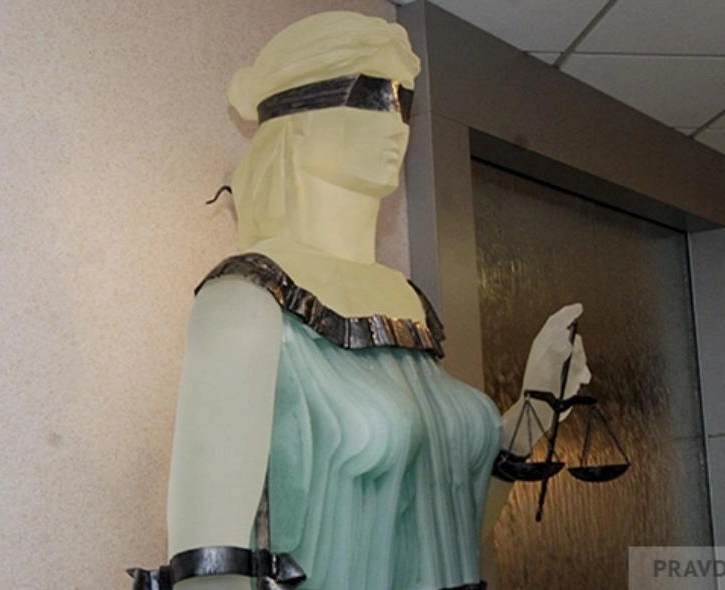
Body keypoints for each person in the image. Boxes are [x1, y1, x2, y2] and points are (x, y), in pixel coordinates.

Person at [130, 11, 589, 590]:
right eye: (371, 95)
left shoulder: (408, 306)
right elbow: (207, 569)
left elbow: (449, 532)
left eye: (404, 101)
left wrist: (536, 408)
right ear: (297, 121)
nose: (395, 122)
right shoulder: (243, 302)